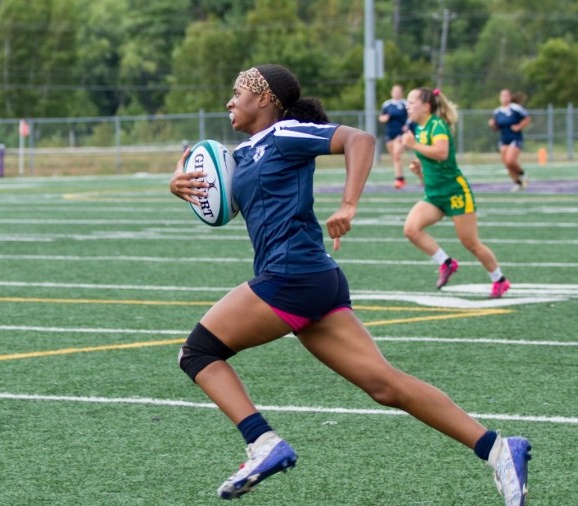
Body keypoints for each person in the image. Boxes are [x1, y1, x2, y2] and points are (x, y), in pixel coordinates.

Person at [168, 65, 530, 504]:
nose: (229, 102)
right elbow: (222, 194)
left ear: (265, 99)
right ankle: (497, 449)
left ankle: (261, 441)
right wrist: (182, 185)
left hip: (292, 275)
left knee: (199, 352)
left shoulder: (287, 134)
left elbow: (360, 139)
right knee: (385, 385)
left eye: (237, 93)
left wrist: (349, 204)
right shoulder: (245, 154)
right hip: (311, 278)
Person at [402, 87, 511, 298]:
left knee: (470, 243)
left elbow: (442, 153)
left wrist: (414, 145)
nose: (407, 106)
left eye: (411, 102)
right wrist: (420, 172)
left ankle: (499, 279)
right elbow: (433, 167)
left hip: (455, 192)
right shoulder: (420, 128)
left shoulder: (437, 125)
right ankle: (446, 262)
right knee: (411, 230)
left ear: (426, 106)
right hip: (435, 194)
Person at [488, 89, 530, 192]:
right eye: (502, 96)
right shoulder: (497, 111)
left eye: (506, 95)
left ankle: (523, 174)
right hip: (504, 138)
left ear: (510, 97)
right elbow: (496, 128)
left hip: (515, 137)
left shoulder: (515, 108)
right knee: (506, 164)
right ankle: (518, 183)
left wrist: (519, 126)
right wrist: (492, 125)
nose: (504, 98)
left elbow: (527, 118)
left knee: (510, 160)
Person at [379, 84, 410, 189]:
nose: (396, 93)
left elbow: (411, 116)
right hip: (390, 134)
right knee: (395, 157)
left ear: (401, 93)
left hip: (401, 134)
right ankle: (401, 177)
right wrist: (385, 118)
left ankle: (399, 179)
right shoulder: (387, 104)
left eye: (398, 91)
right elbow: (381, 117)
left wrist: (407, 126)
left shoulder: (405, 104)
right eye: (394, 91)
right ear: (392, 93)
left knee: (397, 155)